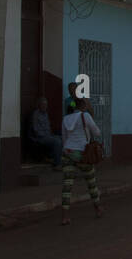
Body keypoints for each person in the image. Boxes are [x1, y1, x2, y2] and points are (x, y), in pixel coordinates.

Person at [59, 98, 103, 226]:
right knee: (91, 183)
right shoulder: (85, 116)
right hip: (82, 154)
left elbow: (64, 138)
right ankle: (98, 208)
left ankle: (65, 216)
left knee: (67, 185)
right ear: (84, 106)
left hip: (67, 153)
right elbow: (97, 132)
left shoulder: (66, 119)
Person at [28, 96, 62, 168]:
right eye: (43, 104)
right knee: (57, 141)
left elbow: (48, 127)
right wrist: (47, 136)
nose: (45, 106)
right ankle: (58, 163)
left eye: (46, 105)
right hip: (39, 137)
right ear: (39, 105)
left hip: (48, 135)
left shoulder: (45, 114)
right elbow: (35, 130)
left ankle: (54, 157)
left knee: (61, 138)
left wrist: (50, 135)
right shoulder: (35, 114)